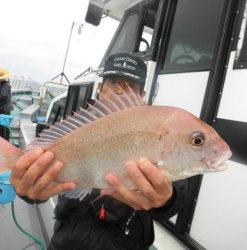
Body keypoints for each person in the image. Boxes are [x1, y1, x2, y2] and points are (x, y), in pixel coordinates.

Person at [10, 53, 188, 250]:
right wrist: (28, 190)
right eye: (114, 82)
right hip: (67, 243)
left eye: (130, 85)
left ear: (142, 95)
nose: (121, 91)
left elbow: (177, 190)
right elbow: (43, 178)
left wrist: (167, 200)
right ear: (101, 89)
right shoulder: (73, 127)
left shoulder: (156, 129)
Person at [0, 68, 13, 141]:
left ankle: (3, 141)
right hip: (4, 108)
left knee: (2, 126)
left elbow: (3, 96)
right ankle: (6, 140)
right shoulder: (3, 84)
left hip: (4, 109)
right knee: (5, 126)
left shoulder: (5, 85)